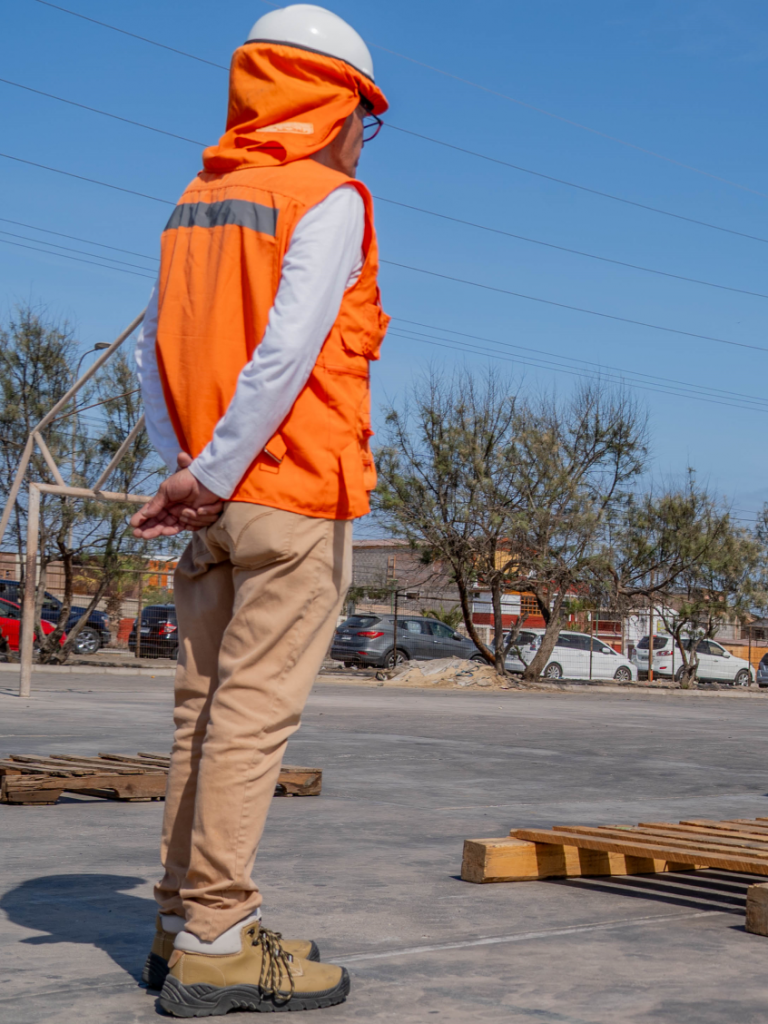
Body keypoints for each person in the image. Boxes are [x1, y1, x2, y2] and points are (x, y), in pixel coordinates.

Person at [129, 5, 389, 1015]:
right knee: (249, 721)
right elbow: (286, 352)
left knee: (199, 715)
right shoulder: (329, 201)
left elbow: (158, 346)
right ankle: (217, 939)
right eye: (367, 113)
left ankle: (176, 919)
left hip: (207, 503)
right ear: (336, 104)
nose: (366, 133)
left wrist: (182, 470)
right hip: (288, 496)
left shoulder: (193, 202)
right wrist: (224, 468)